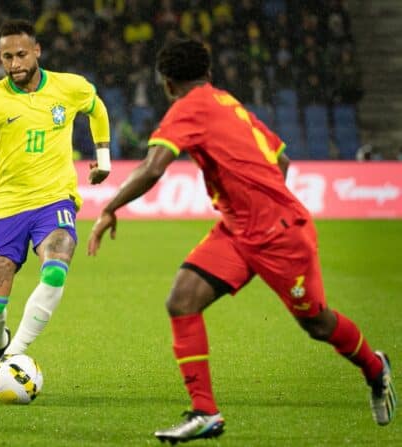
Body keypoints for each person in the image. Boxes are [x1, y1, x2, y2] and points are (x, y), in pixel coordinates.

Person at [87, 37, 396, 443]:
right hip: (238, 231)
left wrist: (110, 207)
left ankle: (376, 369)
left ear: (166, 84)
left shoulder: (188, 108)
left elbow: (154, 166)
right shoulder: (226, 102)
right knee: (182, 301)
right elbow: (281, 159)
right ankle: (205, 412)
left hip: (281, 236)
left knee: (317, 324)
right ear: (208, 73)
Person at [0, 19, 111, 378]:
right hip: (9, 207)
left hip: (55, 200)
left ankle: (12, 355)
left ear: (37, 52)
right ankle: (0, 342)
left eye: (20, 55)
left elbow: (97, 108)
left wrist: (103, 160)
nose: (14, 64)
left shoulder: (69, 86)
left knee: (57, 266)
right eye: (6, 57)